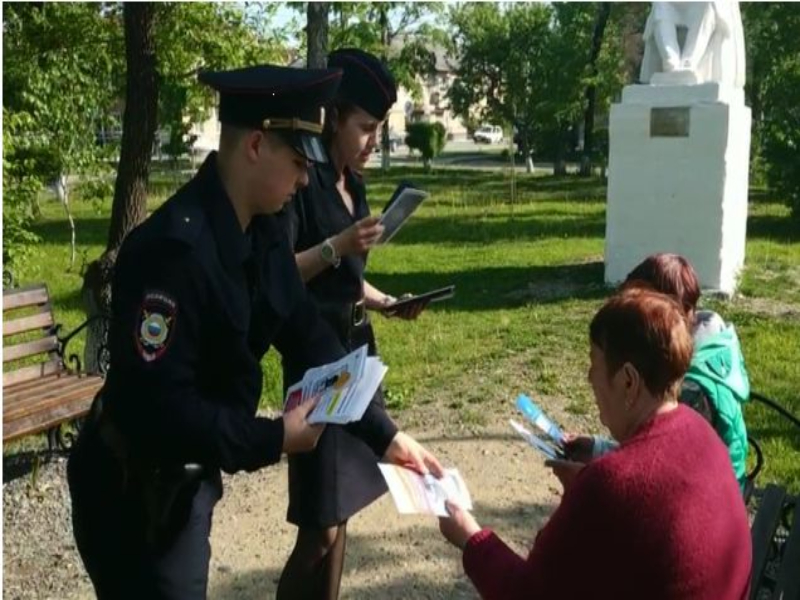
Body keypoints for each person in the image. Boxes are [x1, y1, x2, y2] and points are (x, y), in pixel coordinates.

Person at [67, 63, 442, 600]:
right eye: (295, 162)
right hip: (131, 488)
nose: (304, 179)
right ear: (255, 145)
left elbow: (309, 336)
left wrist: (388, 436)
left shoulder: (262, 232)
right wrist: (276, 439)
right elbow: (166, 409)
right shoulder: (171, 253)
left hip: (185, 481)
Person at [438, 289, 752, 599]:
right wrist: (591, 498)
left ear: (628, 380)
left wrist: (470, 537)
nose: (589, 378)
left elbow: (526, 592)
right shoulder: (701, 432)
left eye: (594, 364)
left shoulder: (611, 484)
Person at [277, 48, 427, 600]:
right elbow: (283, 274)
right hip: (317, 363)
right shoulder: (302, 179)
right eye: (364, 127)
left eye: (379, 129)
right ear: (334, 116)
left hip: (357, 352)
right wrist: (336, 246)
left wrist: (386, 301)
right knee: (319, 526)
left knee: (341, 518)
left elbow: (346, 279)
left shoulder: (354, 184)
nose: (372, 141)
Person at [562, 253, 751, 489]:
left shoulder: (691, 389)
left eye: (640, 305)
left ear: (665, 313)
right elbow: (655, 454)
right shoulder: (711, 346)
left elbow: (657, 477)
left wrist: (587, 484)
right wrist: (598, 449)